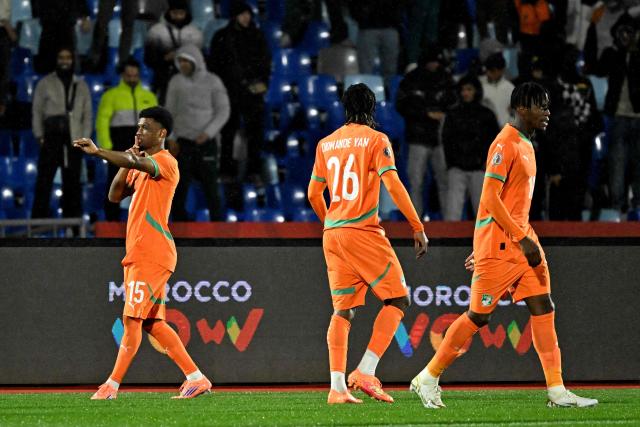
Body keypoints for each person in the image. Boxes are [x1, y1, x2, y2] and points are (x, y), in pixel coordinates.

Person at [410, 82, 598, 409]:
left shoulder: (526, 143)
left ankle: (557, 391)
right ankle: (428, 376)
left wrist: (519, 238)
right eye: (541, 105)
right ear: (521, 108)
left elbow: (505, 203)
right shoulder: (505, 143)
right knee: (478, 318)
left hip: (519, 242)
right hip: (505, 246)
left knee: (544, 308)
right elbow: (489, 198)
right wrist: (508, 240)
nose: (547, 111)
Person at [73, 106, 212, 400]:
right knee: (152, 322)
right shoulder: (141, 163)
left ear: (161, 133)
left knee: (131, 320)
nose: (139, 132)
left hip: (151, 251)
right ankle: (196, 377)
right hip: (144, 251)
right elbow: (114, 195)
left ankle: (111, 386)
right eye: (138, 127)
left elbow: (137, 163)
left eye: (145, 128)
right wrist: (127, 159)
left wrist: (99, 153)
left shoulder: (165, 162)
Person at [307, 83, 428, 404]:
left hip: (333, 234)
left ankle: (336, 387)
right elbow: (393, 183)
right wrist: (417, 225)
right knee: (399, 300)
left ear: (344, 108)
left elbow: (312, 194)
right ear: (372, 109)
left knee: (343, 311)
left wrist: (329, 221)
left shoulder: (326, 143)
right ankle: (365, 370)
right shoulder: (376, 140)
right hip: (362, 231)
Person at [207, 1, 271, 183]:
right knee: (228, 134)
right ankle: (227, 171)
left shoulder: (257, 36)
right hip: (230, 92)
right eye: (243, 14)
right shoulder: (221, 37)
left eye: (248, 14)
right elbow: (214, 66)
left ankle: (254, 172)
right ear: (235, 16)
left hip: (252, 93)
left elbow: (265, 63)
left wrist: (262, 85)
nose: (246, 18)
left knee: (255, 135)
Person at [584, 12, 640, 218]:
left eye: (630, 32)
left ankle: (637, 206)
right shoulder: (612, 55)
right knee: (617, 162)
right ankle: (618, 207)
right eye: (622, 32)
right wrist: (591, 30)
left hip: (637, 118)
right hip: (617, 118)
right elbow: (592, 66)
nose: (626, 36)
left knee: (638, 164)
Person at [166, 45, 230, 221]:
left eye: (186, 60)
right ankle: (179, 230)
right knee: (179, 189)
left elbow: (223, 110)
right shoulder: (176, 82)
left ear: (196, 60)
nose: (183, 64)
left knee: (211, 188)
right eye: (180, 60)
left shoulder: (213, 81)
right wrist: (171, 137)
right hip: (182, 143)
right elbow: (169, 111)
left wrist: (208, 133)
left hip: (206, 144)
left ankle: (218, 228)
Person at [31, 47, 92, 220]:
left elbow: (87, 115)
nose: (65, 61)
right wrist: (39, 135)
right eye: (61, 57)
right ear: (56, 59)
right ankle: (37, 225)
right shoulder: (45, 83)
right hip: (51, 136)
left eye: (68, 57)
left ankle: (72, 226)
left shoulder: (81, 85)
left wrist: (85, 138)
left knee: (72, 183)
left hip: (74, 138)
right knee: (44, 181)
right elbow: (37, 111)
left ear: (73, 60)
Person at [395, 44, 455, 218]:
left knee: (444, 182)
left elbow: (454, 102)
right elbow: (402, 105)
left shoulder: (446, 78)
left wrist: (442, 114)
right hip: (418, 137)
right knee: (416, 183)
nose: (434, 64)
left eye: (436, 61)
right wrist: (426, 114)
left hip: (441, 137)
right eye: (431, 61)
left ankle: (449, 226)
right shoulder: (411, 79)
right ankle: (415, 223)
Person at [96, 57, 159, 220]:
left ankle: (147, 222)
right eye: (129, 75)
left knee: (146, 184)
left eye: (135, 75)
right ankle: (112, 223)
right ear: (123, 75)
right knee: (116, 183)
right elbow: (102, 122)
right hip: (120, 145)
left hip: (143, 147)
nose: (132, 79)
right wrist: (108, 147)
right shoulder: (111, 96)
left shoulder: (149, 97)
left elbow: (157, 124)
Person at [442, 75, 499, 221]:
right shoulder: (452, 115)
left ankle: (485, 243)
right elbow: (447, 141)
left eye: (469, 89)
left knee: (483, 215)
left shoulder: (487, 115)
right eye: (463, 90)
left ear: (476, 91)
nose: (465, 93)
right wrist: (452, 164)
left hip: (480, 168)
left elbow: (495, 141)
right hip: (457, 169)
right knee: (452, 214)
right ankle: (448, 243)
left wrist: (487, 163)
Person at [144, 0, 203, 104]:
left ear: (186, 13)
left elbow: (201, 60)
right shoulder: (156, 31)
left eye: (181, 13)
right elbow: (148, 58)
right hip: (164, 80)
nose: (178, 17)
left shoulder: (195, 32)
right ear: (169, 12)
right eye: (175, 13)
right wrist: (164, 58)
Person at [31, 0, 91, 74]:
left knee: (67, 62)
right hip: (48, 25)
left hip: (67, 26)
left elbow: (80, 3)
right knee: (47, 64)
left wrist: (85, 18)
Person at [480, 52, 515, 127]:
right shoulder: (481, 86)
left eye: (492, 71)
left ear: (502, 70)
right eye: (487, 70)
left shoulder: (510, 88)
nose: (489, 73)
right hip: (486, 130)